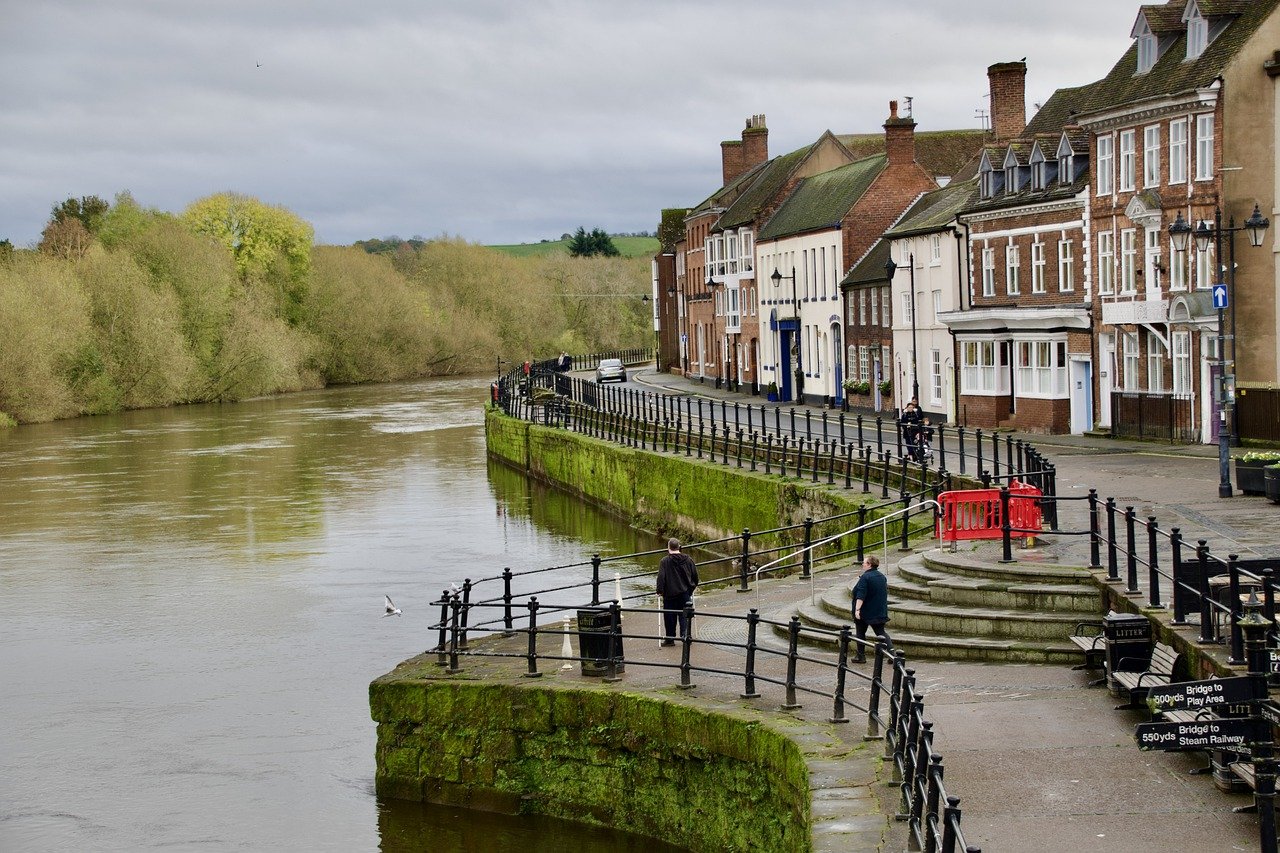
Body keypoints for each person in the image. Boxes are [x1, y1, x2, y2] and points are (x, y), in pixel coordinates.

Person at [656, 538, 699, 645]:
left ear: (668, 548)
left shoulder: (665, 561)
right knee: (684, 615)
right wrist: (690, 589)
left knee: (669, 616)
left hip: (670, 594)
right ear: (679, 547)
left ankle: (670, 639)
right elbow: (695, 576)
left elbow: (661, 578)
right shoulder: (688, 560)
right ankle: (685, 636)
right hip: (685, 593)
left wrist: (660, 591)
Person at [851, 555, 892, 663]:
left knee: (860, 632)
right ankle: (892, 654)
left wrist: (857, 610)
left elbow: (861, 595)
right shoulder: (881, 576)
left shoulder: (865, 577)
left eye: (864, 563)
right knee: (881, 632)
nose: (862, 564)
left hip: (866, 610)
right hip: (879, 610)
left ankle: (861, 655)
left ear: (869, 564)